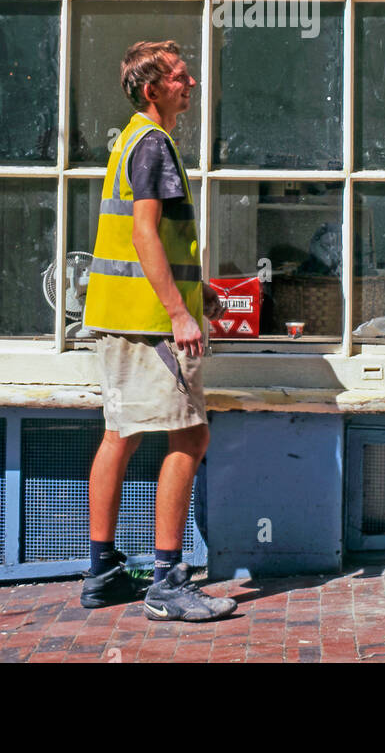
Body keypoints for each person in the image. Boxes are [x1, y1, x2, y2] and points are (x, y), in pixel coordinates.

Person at [79, 39, 237, 621]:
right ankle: (168, 581)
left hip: (118, 317)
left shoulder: (128, 140)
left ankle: (103, 572)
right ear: (153, 90)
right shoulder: (154, 144)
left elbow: (140, 239)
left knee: (121, 433)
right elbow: (144, 235)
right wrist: (177, 313)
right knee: (190, 437)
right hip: (150, 326)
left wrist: (199, 294)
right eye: (179, 77)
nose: (190, 83)